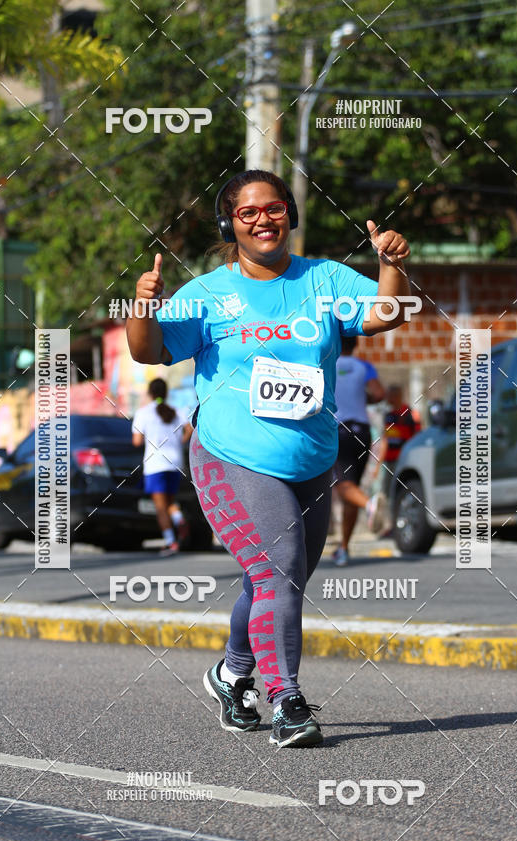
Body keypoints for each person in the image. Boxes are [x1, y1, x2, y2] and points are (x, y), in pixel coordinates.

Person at [127, 169, 411, 747]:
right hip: (231, 454)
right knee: (277, 568)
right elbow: (147, 350)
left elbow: (387, 314)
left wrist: (391, 265)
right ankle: (287, 700)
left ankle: (232, 674)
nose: (263, 220)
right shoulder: (207, 294)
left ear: (290, 214)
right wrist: (143, 307)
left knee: (279, 579)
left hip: (311, 457)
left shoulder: (325, 279)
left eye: (274, 208)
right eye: (248, 212)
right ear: (229, 225)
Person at [331, 336, 385, 567]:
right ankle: (344, 548)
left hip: (338, 430)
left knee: (343, 486)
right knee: (350, 488)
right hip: (362, 432)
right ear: (355, 345)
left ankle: (369, 505)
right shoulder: (364, 366)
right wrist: (362, 397)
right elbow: (379, 394)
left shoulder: (327, 363)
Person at [132, 378, 193, 555]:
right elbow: (190, 429)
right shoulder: (176, 411)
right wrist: (181, 441)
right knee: (169, 502)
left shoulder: (143, 413)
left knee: (160, 507)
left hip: (155, 464)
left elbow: (136, 441)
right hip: (175, 463)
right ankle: (179, 519)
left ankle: (170, 542)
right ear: (166, 393)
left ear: (150, 393)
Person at [374, 383, 421, 509]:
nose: (387, 398)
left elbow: (417, 437)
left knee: (401, 490)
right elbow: (385, 440)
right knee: (386, 492)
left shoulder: (410, 414)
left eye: (389, 395)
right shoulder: (388, 415)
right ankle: (388, 518)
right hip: (389, 462)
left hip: (404, 460)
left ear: (397, 396)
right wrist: (378, 465)